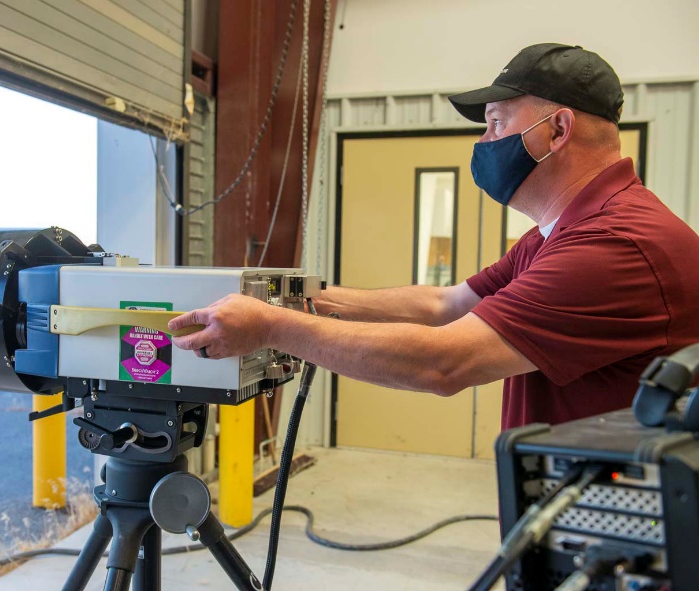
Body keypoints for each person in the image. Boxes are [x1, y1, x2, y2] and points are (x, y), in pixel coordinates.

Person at [169, 43, 699, 430]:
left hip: (622, 551)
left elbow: (444, 360)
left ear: (558, 130)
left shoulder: (614, 246)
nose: (484, 140)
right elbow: (444, 304)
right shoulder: (553, 236)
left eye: (495, 122)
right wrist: (301, 301)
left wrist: (270, 326)